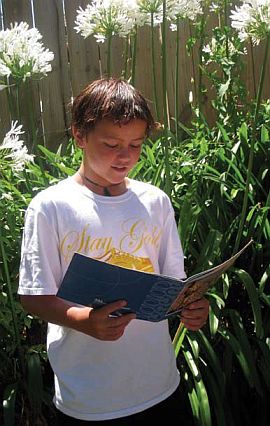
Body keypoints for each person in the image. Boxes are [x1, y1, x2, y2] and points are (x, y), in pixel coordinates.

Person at [18, 77, 209, 425]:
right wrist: (85, 321)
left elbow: (175, 283)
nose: (125, 156)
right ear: (79, 135)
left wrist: (191, 307)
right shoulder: (50, 207)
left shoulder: (155, 202)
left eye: (136, 144)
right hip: (89, 399)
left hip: (160, 385)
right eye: (111, 143)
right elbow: (34, 296)